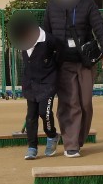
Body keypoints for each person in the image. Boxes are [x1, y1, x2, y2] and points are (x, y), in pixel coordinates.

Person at [44, 0, 103, 158]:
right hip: (63, 62)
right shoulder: (52, 6)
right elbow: (47, 34)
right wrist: (44, 58)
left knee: (85, 104)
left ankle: (78, 139)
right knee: (70, 102)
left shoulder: (87, 4)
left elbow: (100, 28)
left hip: (85, 62)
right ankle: (71, 143)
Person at [8, 11, 62, 160]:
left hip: (48, 83)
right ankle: (32, 147)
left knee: (44, 113)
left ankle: (52, 135)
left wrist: (53, 70)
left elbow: (61, 54)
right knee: (31, 117)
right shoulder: (22, 41)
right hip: (30, 84)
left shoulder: (49, 40)